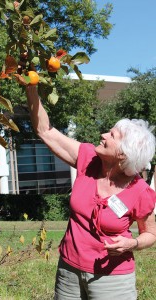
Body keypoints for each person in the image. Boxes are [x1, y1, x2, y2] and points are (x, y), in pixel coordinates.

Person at [24, 84, 156, 300]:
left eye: (111, 135)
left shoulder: (140, 191)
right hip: (69, 270)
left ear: (123, 154)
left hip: (113, 280)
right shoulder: (88, 159)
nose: (103, 135)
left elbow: (150, 234)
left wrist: (132, 244)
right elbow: (45, 130)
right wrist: (31, 89)